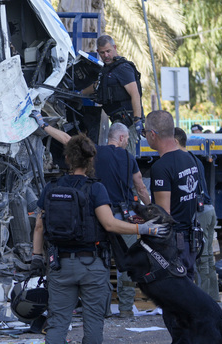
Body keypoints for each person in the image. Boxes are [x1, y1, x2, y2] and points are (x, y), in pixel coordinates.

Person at [32, 134, 168, 344]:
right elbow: (109, 224)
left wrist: (36, 256)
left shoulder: (51, 187)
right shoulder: (96, 189)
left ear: (67, 159)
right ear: (90, 161)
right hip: (92, 265)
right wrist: (143, 228)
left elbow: (38, 225)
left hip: (59, 265)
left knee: (58, 320)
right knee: (93, 320)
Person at [33, 115, 149, 317]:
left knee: (101, 261)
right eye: (127, 140)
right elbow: (140, 187)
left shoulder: (94, 152)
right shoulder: (129, 157)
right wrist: (151, 210)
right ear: (122, 138)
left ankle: (103, 308)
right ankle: (125, 309)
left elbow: (67, 140)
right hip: (122, 217)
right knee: (127, 263)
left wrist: (43, 124)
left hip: (97, 216)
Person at [145, 111, 203, 344]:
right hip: (189, 239)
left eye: (145, 132)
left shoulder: (161, 167)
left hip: (173, 244)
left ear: (152, 134)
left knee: (172, 302)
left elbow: (164, 215)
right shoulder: (189, 159)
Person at [175, 127, 220, 303]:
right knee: (207, 256)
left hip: (200, 213)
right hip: (208, 209)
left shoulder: (183, 161)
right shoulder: (194, 158)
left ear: (176, 141)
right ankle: (212, 297)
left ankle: (202, 300)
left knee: (200, 257)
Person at [81, 35, 143, 154]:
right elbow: (97, 86)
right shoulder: (107, 70)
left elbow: (135, 94)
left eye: (108, 51)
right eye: (102, 52)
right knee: (116, 155)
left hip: (128, 121)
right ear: (98, 52)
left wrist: (137, 120)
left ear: (114, 47)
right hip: (117, 120)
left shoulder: (123, 68)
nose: (106, 55)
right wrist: (79, 93)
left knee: (124, 156)